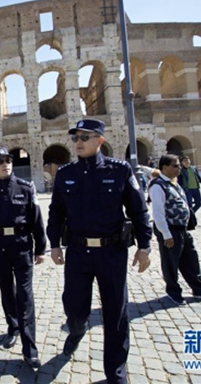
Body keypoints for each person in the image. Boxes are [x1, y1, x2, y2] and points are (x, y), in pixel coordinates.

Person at [47, 119, 152, 384]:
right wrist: (55, 244)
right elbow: (56, 212)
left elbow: (138, 210)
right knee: (75, 307)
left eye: (85, 136)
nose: (79, 141)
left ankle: (116, 372)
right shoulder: (66, 173)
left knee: (116, 313)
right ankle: (77, 329)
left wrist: (145, 246)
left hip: (112, 252)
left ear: (100, 140)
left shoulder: (119, 170)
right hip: (78, 253)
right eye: (75, 137)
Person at [0, 147, 46, 369]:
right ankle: (12, 327)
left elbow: (37, 219)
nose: (6, 164)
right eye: (0, 161)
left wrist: (41, 248)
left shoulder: (25, 188)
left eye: (8, 160)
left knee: (25, 296)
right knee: (7, 291)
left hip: (22, 247)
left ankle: (30, 348)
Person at [148, 154, 201, 306]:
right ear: (164, 168)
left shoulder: (174, 184)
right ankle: (173, 292)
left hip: (182, 230)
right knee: (171, 262)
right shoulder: (158, 186)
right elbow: (158, 212)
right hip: (170, 230)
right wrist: (166, 234)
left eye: (178, 165)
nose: (179, 168)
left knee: (191, 258)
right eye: (175, 166)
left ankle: (199, 288)